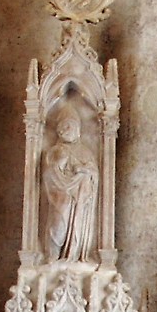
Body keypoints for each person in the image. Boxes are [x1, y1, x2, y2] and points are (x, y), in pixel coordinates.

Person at [40, 101, 99, 261]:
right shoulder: (55, 151)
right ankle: (52, 257)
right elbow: (48, 175)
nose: (64, 130)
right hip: (60, 198)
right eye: (62, 127)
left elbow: (94, 174)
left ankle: (74, 255)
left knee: (75, 229)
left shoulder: (85, 152)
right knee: (58, 226)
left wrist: (83, 172)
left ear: (78, 130)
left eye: (69, 126)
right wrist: (58, 165)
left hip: (79, 201)